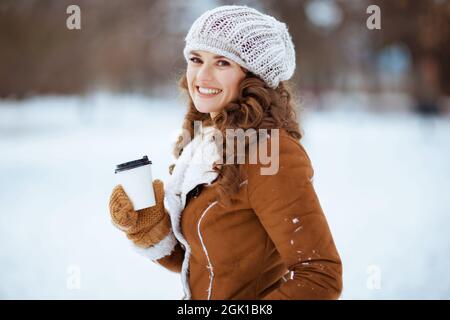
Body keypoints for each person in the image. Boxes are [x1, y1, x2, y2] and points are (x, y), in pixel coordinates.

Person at [109, 5, 342, 300]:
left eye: (222, 63)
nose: (202, 75)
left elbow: (320, 276)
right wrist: (150, 228)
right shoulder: (205, 142)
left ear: (253, 77)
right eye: (196, 59)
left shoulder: (271, 153)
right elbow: (209, 264)